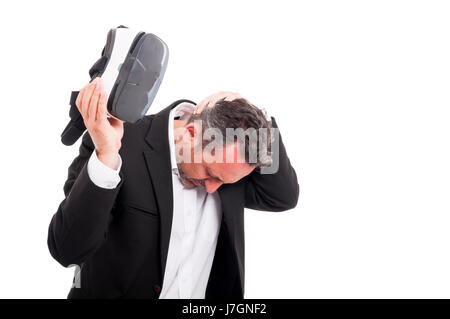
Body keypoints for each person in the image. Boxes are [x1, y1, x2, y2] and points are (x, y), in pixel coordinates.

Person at [48, 77, 299, 299]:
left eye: (224, 181)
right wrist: (106, 156)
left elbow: (283, 196)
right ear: (190, 133)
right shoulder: (117, 140)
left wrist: (255, 117)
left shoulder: (231, 163)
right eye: (210, 173)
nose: (213, 189)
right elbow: (67, 249)